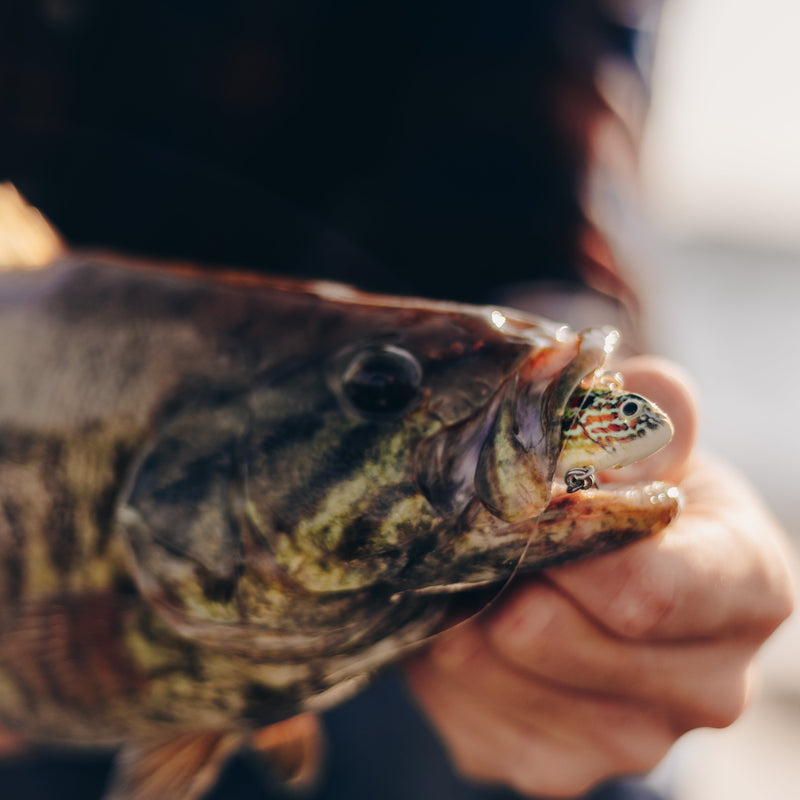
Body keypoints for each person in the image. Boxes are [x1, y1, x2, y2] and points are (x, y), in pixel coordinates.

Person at [0, 2, 794, 799]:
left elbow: (533, 206)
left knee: (594, 764)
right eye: (379, 392)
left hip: (410, 679)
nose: (395, 398)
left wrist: (595, 386)